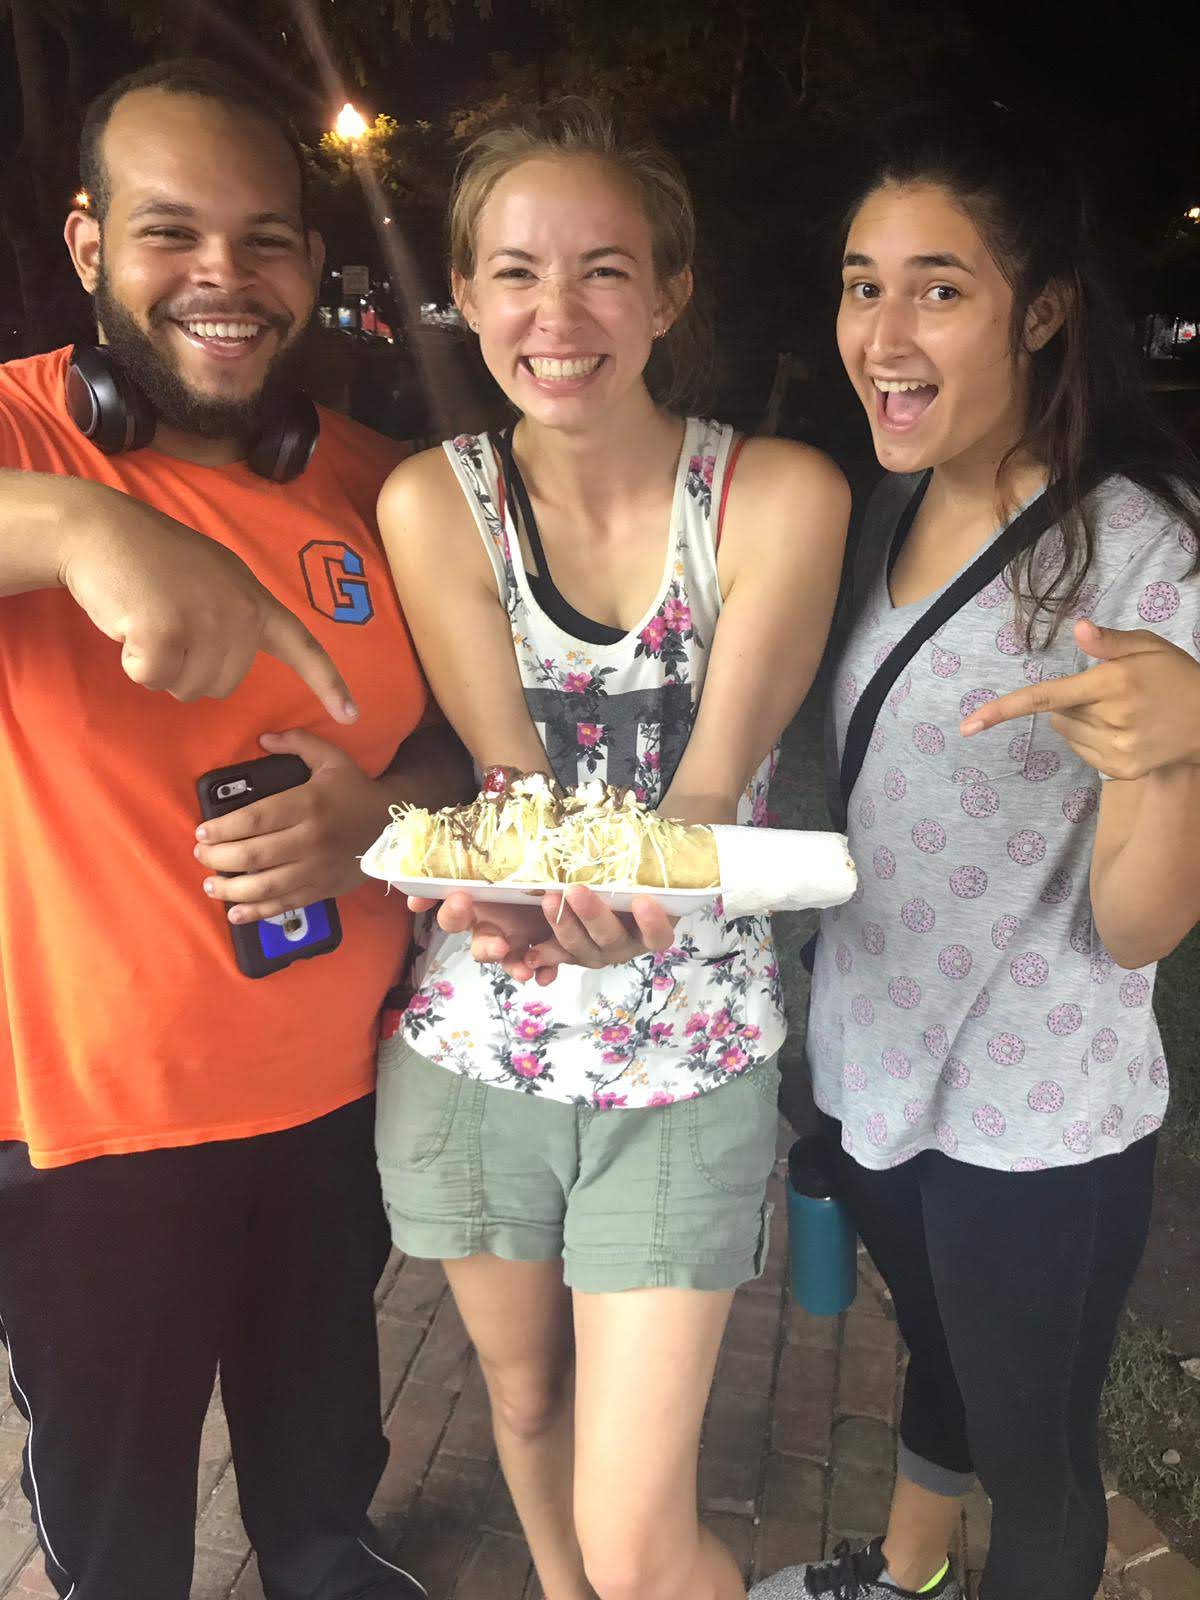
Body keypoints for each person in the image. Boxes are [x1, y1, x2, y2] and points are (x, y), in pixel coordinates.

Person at [0, 58, 471, 1600]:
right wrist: (82, 523)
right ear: (86, 247)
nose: (224, 274)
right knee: (119, 1512)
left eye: (267, 238)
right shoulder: (26, 449)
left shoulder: (383, 490)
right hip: (93, 1126)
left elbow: (473, 761)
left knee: (326, 1454)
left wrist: (382, 819)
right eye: (168, 231)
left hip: (345, 1094)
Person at [374, 103, 850, 1600]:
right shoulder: (432, 499)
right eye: (514, 272)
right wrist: (516, 898)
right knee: (521, 1400)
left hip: (683, 1060)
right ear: (463, 292)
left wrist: (600, 892)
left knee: (641, 1545)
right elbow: (511, 788)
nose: (556, 315)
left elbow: (704, 806)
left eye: (602, 270)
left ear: (670, 289)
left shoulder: (777, 496)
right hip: (476, 1050)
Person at [752, 104, 1200, 1600]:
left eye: (939, 286)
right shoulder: (881, 504)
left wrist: (1179, 746)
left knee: (1043, 1471)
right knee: (935, 1362)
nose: (884, 328)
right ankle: (905, 1576)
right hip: (879, 1070)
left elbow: (1138, 929)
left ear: (1042, 310)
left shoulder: (1143, 548)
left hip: (1037, 1125)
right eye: (862, 281)